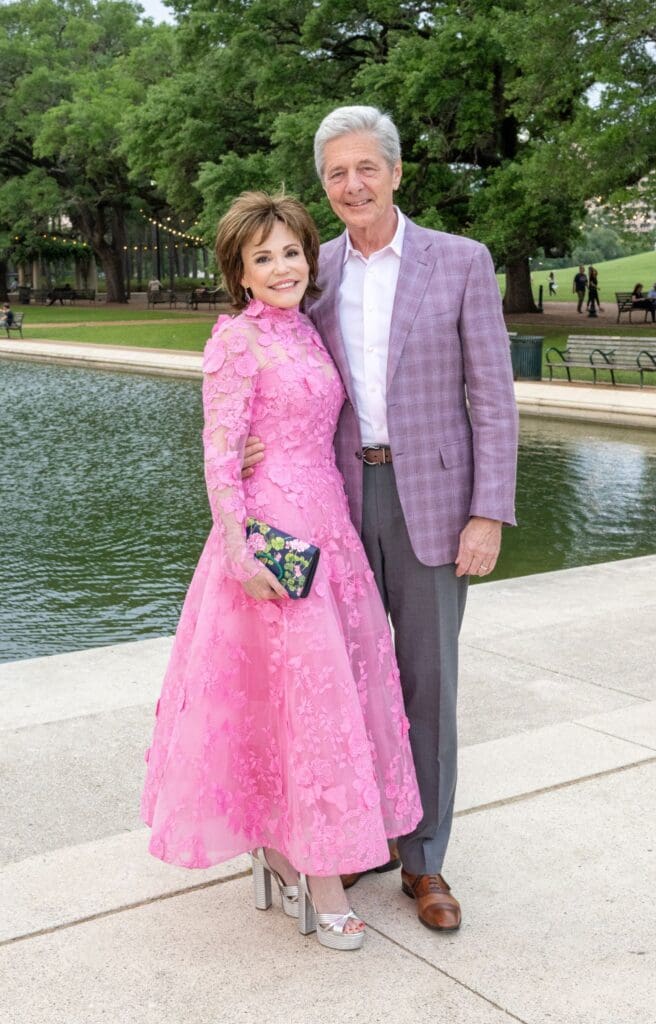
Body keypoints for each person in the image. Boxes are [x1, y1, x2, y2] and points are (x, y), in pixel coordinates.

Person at [243, 106, 518, 932]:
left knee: (427, 682)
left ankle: (423, 860)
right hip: (331, 501)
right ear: (322, 187)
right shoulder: (309, 268)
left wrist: (488, 513)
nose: (351, 184)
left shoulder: (460, 262)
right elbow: (273, 368)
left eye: (366, 167)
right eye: (335, 173)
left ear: (396, 173)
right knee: (346, 678)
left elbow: (492, 400)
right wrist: (254, 451)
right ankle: (361, 833)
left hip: (432, 502)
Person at [140, 190, 422, 953]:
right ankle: (320, 877)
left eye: (290, 251)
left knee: (317, 703)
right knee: (304, 708)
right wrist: (242, 553)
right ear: (239, 270)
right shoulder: (235, 340)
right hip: (273, 542)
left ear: (308, 254)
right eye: (261, 257)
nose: (280, 266)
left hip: (328, 530)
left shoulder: (303, 330)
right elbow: (216, 454)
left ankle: (284, 849)